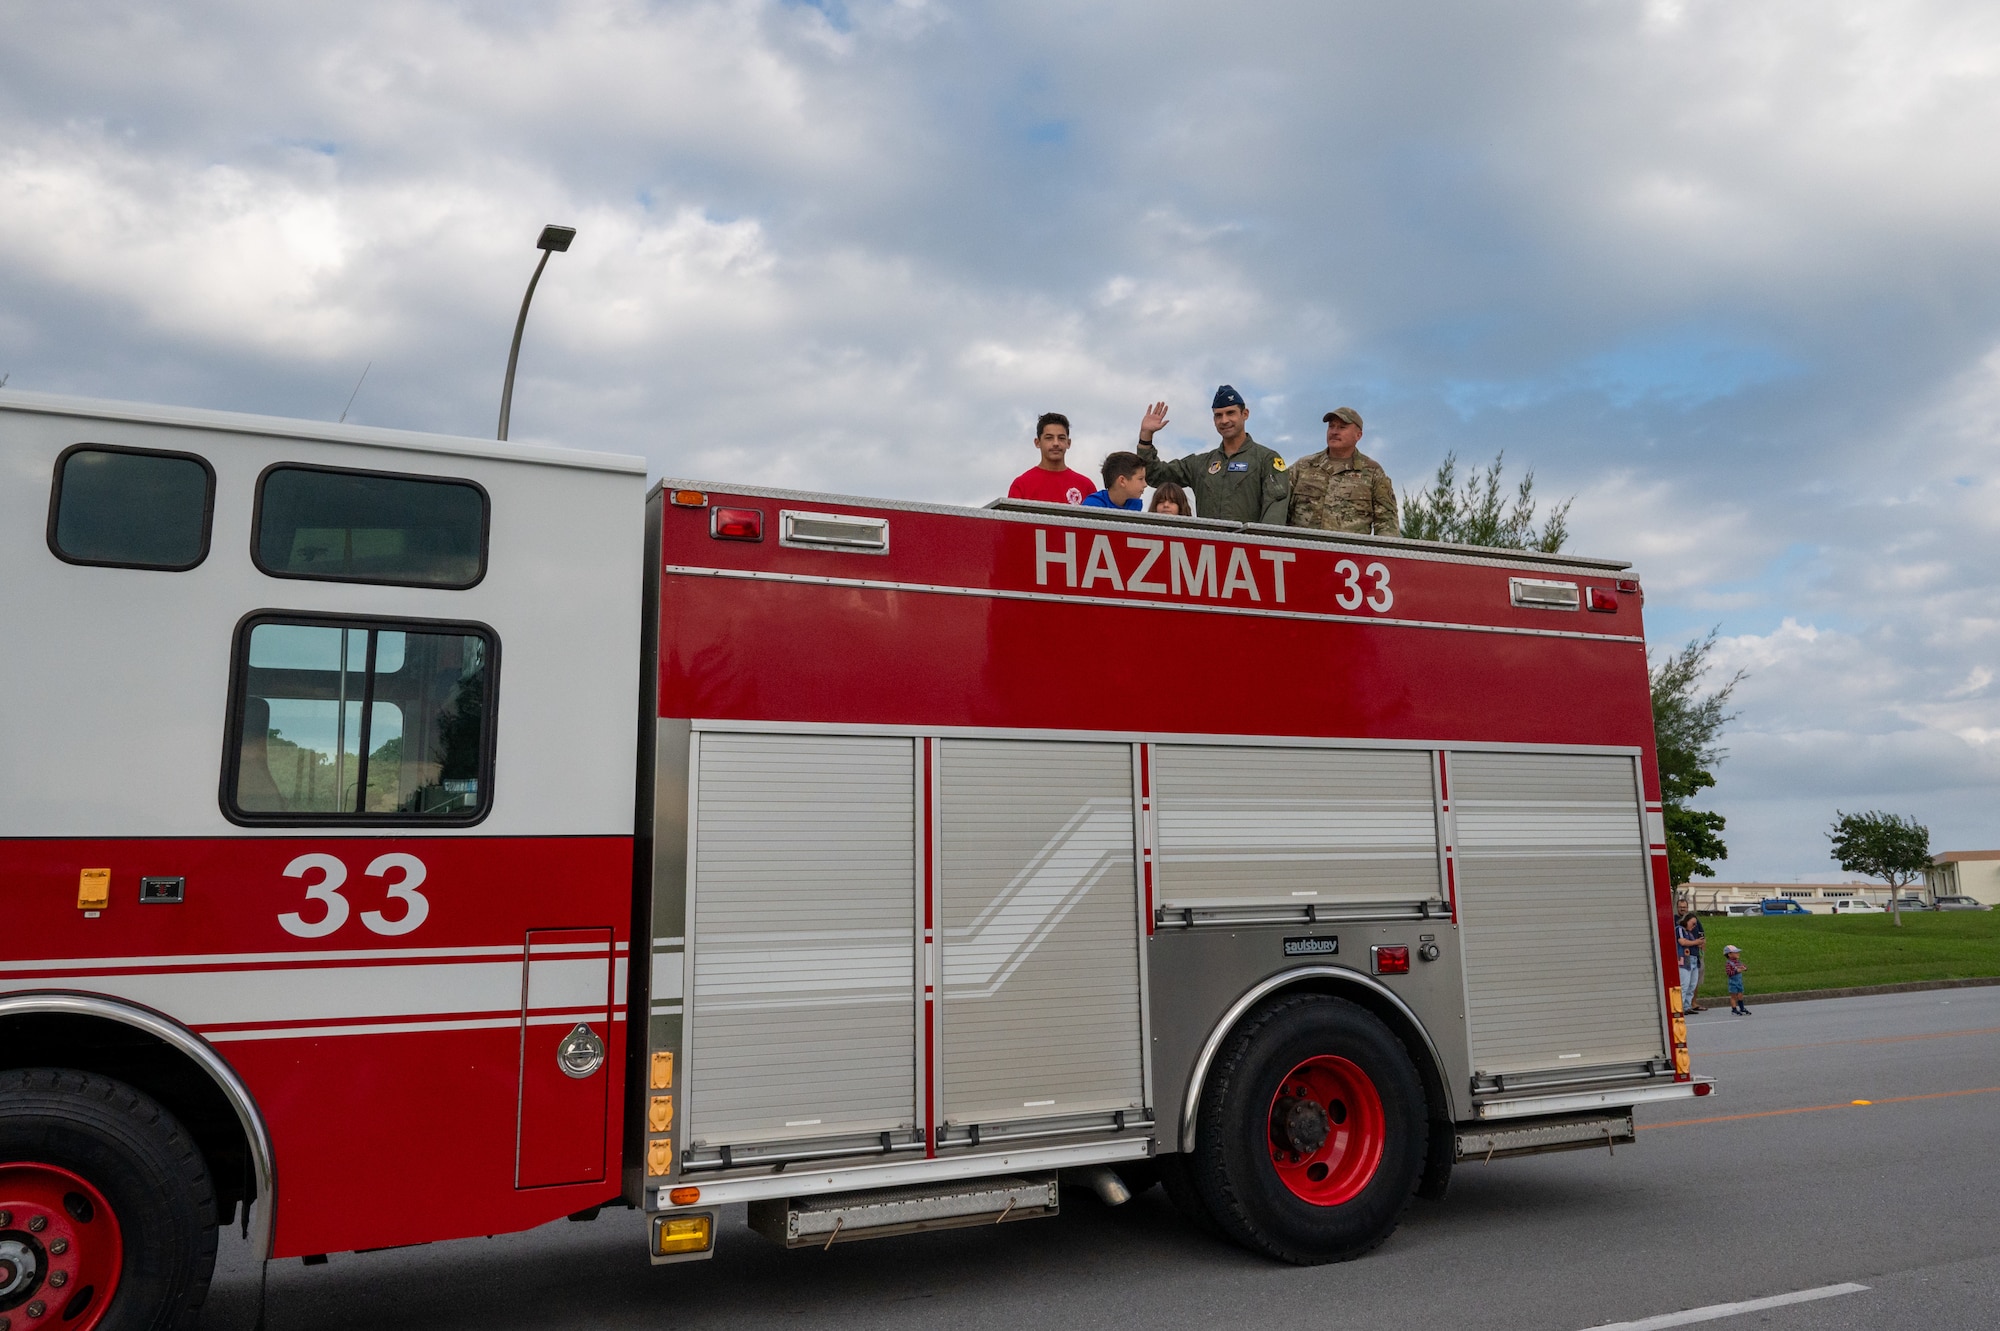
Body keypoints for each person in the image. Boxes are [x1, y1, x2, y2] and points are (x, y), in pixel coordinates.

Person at [1134, 386, 1290, 525]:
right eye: (1218, 415)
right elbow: (1155, 474)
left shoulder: (1266, 459)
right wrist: (1146, 436)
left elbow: (1275, 514)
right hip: (1209, 552)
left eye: (1231, 413)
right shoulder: (1201, 464)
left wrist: (1261, 546)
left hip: (1248, 551)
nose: (1225, 420)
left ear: (1245, 414)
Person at [1286, 407, 1398, 535]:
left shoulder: (1372, 472)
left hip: (1349, 553)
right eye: (1331, 426)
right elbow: (1279, 508)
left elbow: (1387, 522)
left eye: (1341, 427)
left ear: (1358, 435)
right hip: (1303, 549)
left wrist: (1380, 553)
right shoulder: (1303, 466)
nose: (1334, 432)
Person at [1007, 412, 1094, 506]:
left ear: (1068, 443)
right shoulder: (1021, 485)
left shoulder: (1086, 486)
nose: (1056, 443)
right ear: (1037, 442)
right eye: (1049, 438)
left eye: (1061, 438)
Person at [1082, 452, 1149, 510]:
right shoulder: (1093, 505)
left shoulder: (1135, 504)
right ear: (1122, 481)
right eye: (1140, 479)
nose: (1145, 484)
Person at [1681, 911, 1707, 1012]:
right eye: (1692, 924)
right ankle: (1681, 1006)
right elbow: (1682, 942)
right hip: (1687, 957)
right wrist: (1696, 942)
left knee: (1693, 984)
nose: (1694, 926)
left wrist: (1701, 944)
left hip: (1695, 957)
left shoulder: (1692, 932)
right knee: (1685, 983)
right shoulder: (1681, 930)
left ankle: (1687, 1005)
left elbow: (1701, 938)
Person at [1724, 945, 1751, 1015]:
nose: (1738, 954)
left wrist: (1744, 968)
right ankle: (1734, 1009)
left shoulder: (1738, 962)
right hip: (1733, 982)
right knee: (1733, 996)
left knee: (1740, 994)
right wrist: (1736, 971)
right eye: (1735, 953)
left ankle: (1742, 1008)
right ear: (1729, 954)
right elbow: (1729, 973)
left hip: (1739, 981)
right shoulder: (1729, 963)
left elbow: (1744, 966)